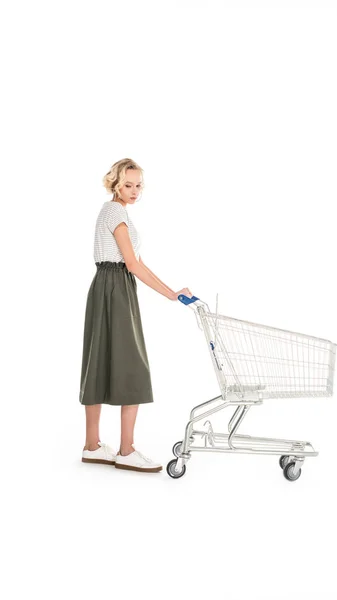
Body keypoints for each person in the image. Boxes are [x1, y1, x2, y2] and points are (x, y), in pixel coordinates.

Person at [79, 158, 192, 473]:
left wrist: (170, 290)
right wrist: (171, 294)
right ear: (115, 184)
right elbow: (132, 264)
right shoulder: (115, 212)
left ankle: (92, 446)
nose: (134, 190)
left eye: (138, 184)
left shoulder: (114, 212)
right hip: (116, 287)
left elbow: (138, 263)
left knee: (98, 360)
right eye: (127, 185)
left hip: (107, 285)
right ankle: (126, 450)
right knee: (132, 364)